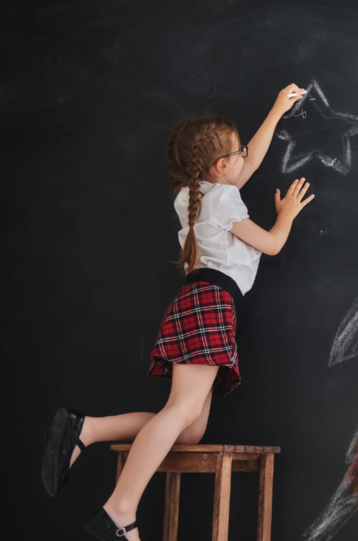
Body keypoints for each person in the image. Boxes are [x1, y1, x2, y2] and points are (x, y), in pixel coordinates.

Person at [41, 83, 314, 541]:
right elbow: (270, 244)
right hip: (210, 303)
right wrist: (285, 214)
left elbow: (249, 159)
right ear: (221, 166)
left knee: (187, 430)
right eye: (237, 154)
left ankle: (85, 429)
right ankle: (118, 510)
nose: (246, 157)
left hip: (199, 300)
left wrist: (275, 111)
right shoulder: (223, 198)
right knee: (182, 410)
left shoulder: (195, 194)